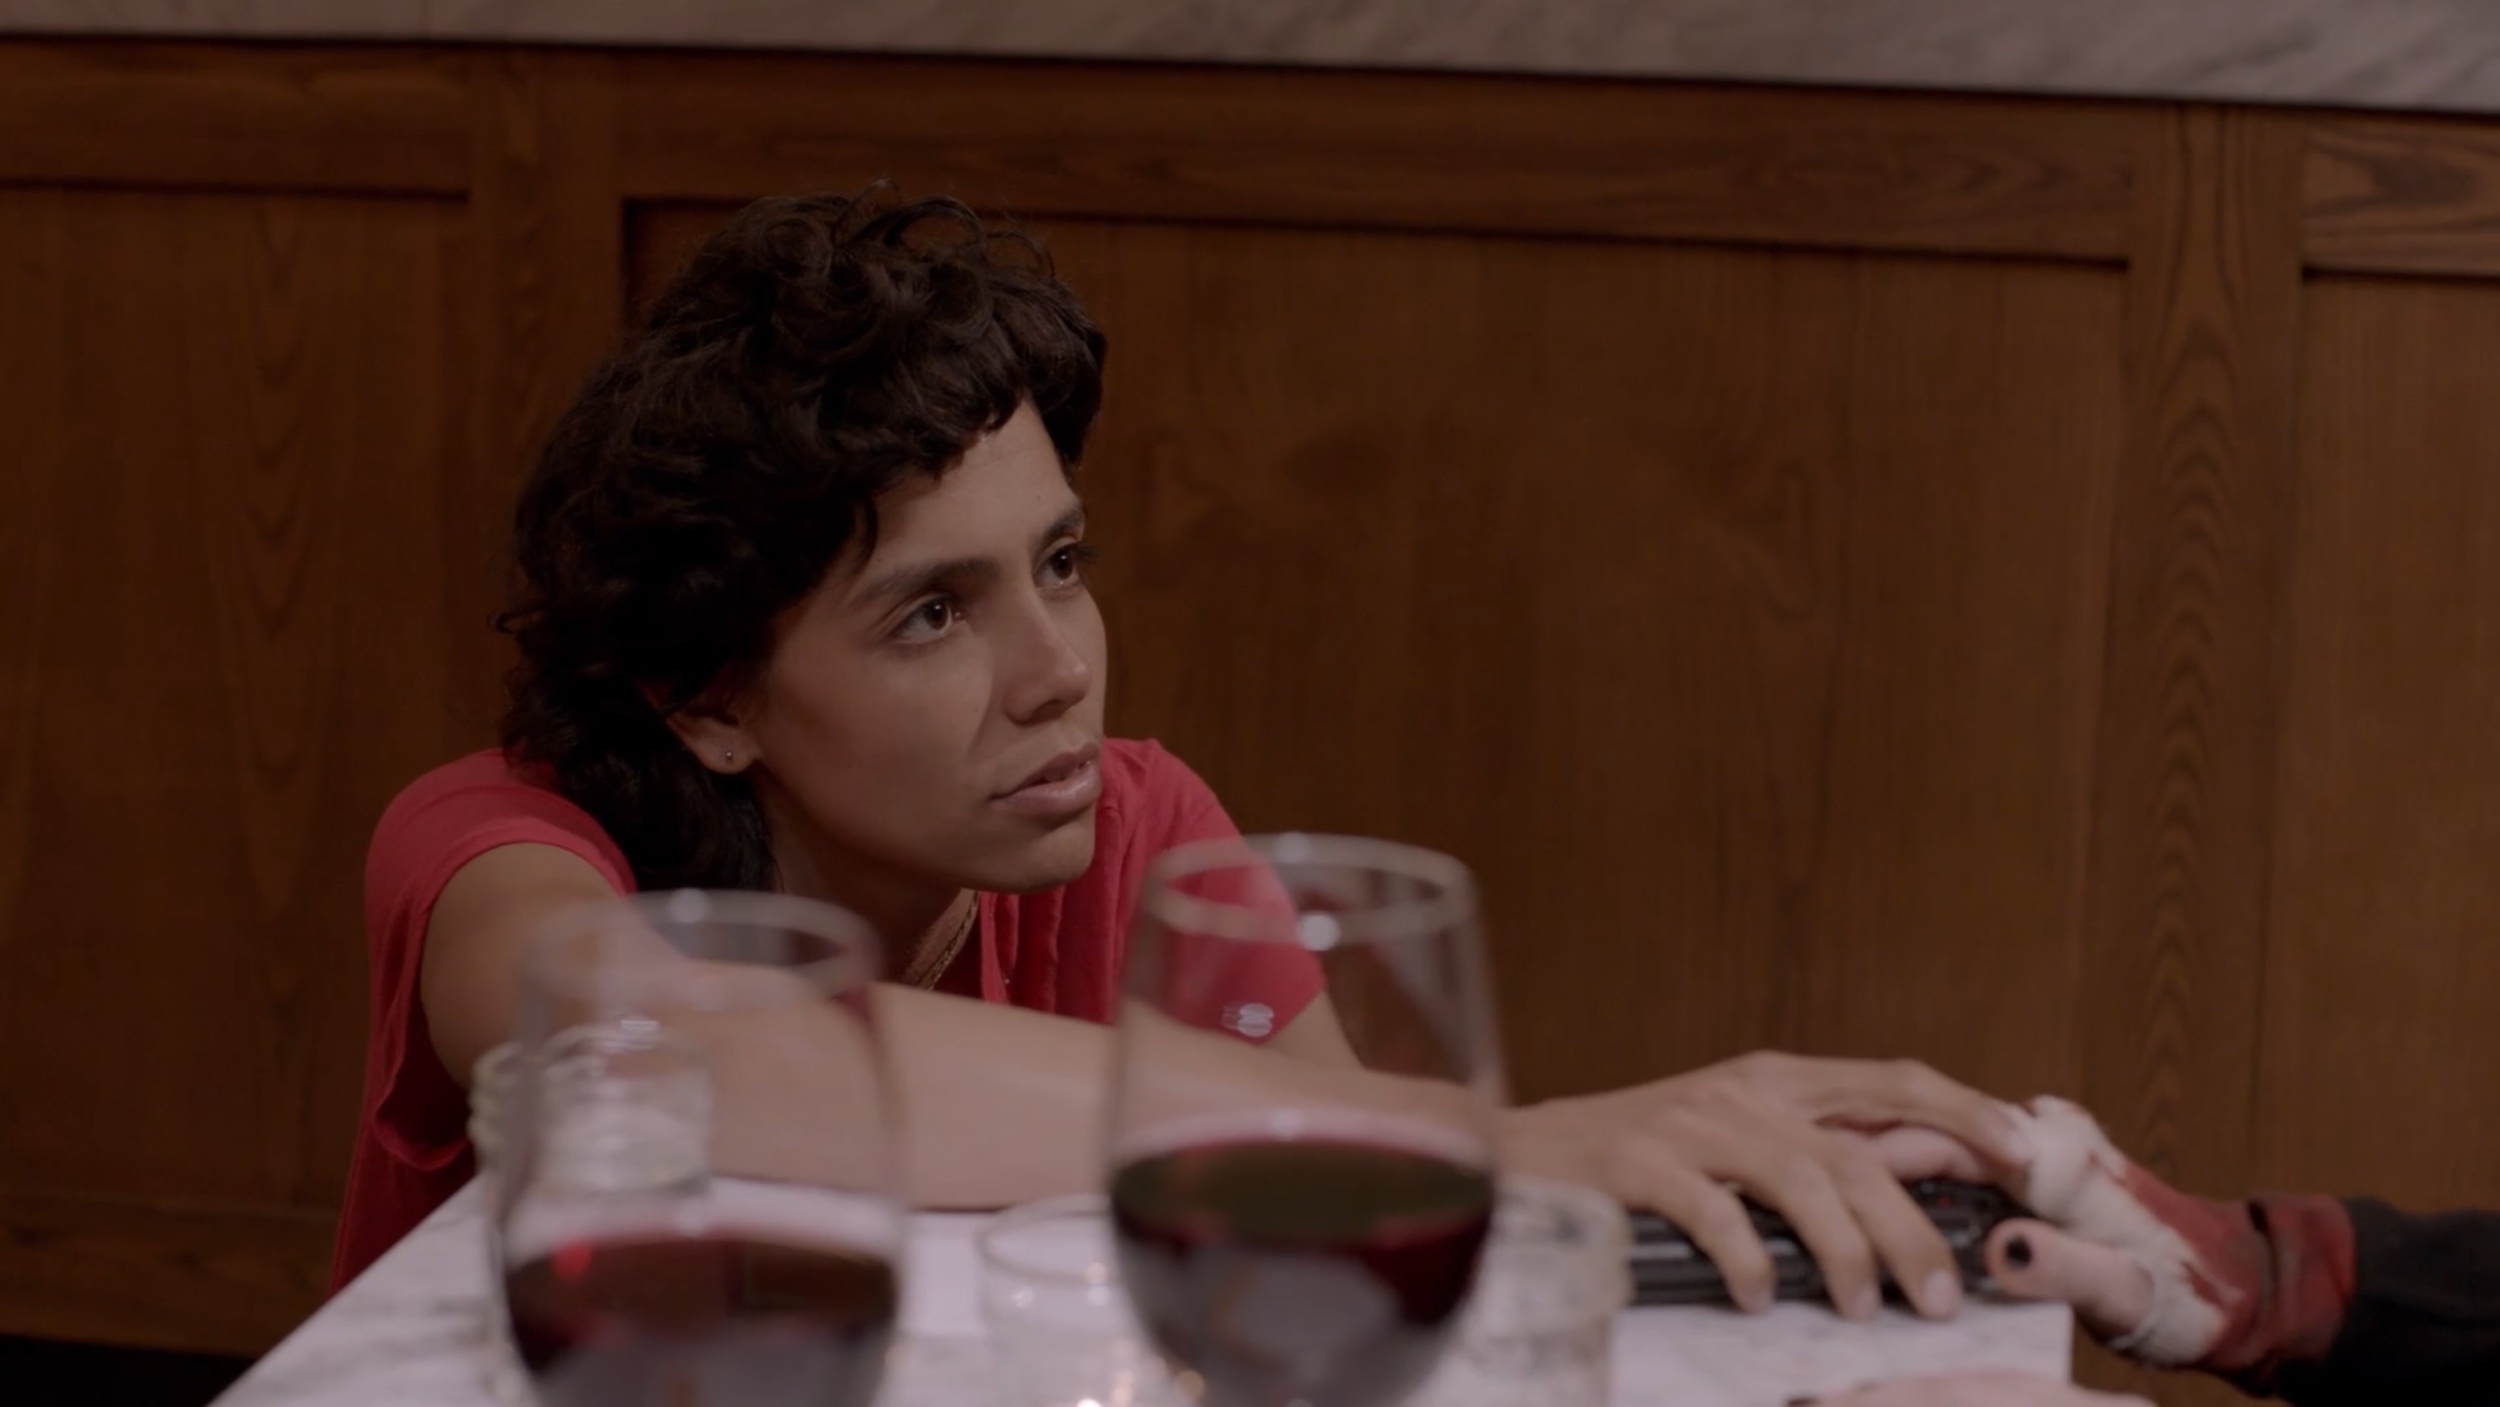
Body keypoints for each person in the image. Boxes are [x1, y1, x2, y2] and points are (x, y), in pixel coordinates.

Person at [331, 186, 2035, 1314]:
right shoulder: (498, 845)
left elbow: (1340, 1248)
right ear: (706, 698)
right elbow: (672, 1051)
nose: (1061, 670)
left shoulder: (1141, 829)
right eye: (933, 614)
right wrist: (1494, 1137)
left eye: (1062, 564)